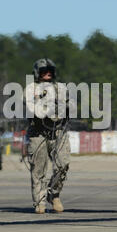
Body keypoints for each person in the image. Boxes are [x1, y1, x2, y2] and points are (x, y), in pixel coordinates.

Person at [25, 58, 73, 214]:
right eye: (43, 71)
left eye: (50, 71)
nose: (47, 74)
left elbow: (71, 105)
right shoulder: (31, 89)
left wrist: (64, 106)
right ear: (37, 73)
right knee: (39, 170)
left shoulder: (61, 88)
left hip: (58, 131)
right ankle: (40, 201)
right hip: (38, 133)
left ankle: (54, 194)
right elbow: (33, 110)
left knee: (63, 164)